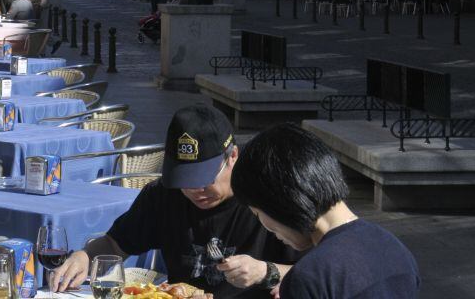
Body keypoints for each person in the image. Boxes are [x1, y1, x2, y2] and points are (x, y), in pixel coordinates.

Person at [51, 105, 300, 297]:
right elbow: (116, 244)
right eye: (185, 179)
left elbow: (322, 271)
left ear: (233, 156)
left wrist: (267, 272)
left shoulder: (269, 197)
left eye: (204, 178)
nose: (195, 189)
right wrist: (85, 255)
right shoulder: (163, 196)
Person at [232, 124, 420, 299]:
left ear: (277, 200)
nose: (266, 227)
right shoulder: (395, 249)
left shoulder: (310, 277)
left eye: (257, 214)